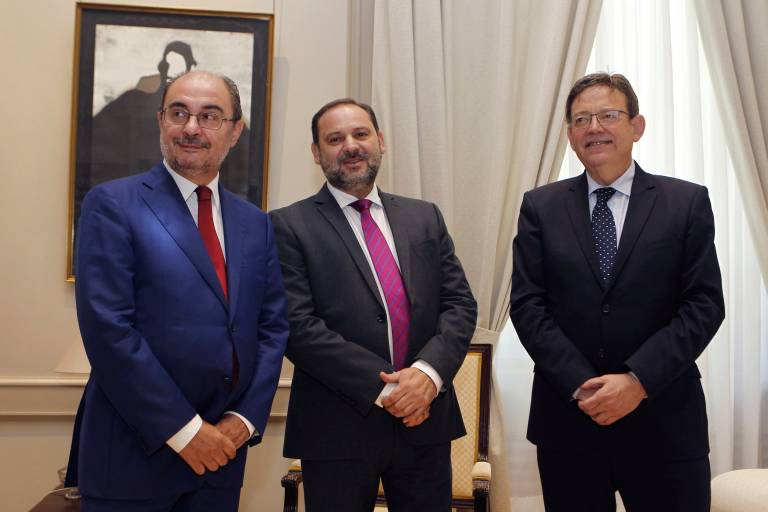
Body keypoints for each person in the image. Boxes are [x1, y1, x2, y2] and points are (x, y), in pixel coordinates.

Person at [72, 70, 288, 511]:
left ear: (234, 131)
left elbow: (271, 328)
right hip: (134, 457)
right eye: (179, 113)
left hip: (221, 463)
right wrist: (186, 431)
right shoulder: (112, 204)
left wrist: (243, 421)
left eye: (209, 116)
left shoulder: (255, 223)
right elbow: (109, 331)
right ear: (160, 121)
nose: (191, 127)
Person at [510, 72, 725, 512]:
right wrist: (581, 384)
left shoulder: (685, 202)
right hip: (569, 422)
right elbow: (528, 305)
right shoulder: (540, 207)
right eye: (582, 119)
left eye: (609, 115)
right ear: (570, 135)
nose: (595, 128)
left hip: (664, 422)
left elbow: (703, 305)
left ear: (636, 126)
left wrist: (637, 380)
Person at [270, 98, 477, 512]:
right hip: (336, 428)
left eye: (360, 134)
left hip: (426, 421)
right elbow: (297, 325)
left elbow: (459, 304)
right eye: (334, 138)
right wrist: (389, 390)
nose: (350, 145)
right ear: (316, 152)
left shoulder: (424, 217)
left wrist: (426, 377)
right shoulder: (287, 225)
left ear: (380, 141)